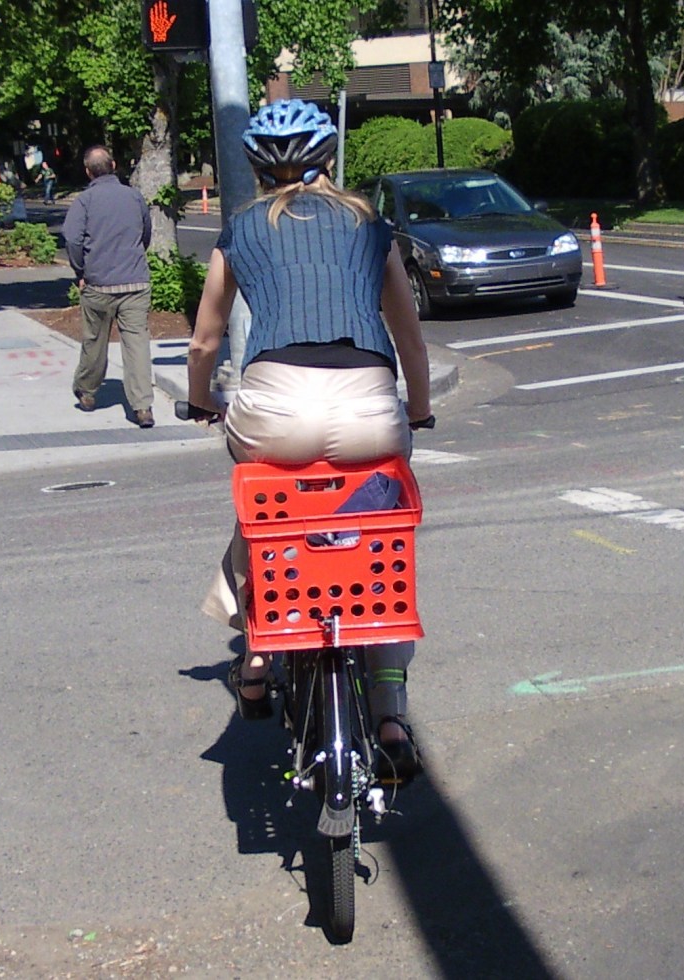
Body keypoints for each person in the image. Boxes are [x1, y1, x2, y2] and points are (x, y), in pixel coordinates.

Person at [186, 98, 433, 784]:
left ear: (259, 166)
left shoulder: (241, 229)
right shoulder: (368, 225)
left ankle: (260, 652)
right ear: (329, 157)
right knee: (381, 534)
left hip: (274, 406)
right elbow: (408, 333)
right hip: (367, 408)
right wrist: (420, 410)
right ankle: (387, 710)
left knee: (264, 506)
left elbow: (206, 339)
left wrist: (200, 400)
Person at [62, 146, 155, 427]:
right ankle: (142, 407)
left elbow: (72, 239)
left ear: (88, 171)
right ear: (114, 165)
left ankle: (88, 392)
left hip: (98, 283)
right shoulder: (134, 196)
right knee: (137, 344)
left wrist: (81, 270)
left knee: (95, 340)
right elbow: (146, 233)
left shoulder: (84, 201)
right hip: (136, 281)